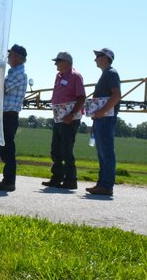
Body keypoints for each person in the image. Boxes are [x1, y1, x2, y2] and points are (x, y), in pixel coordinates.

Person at [43, 51, 85, 190]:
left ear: (67, 62)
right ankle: (57, 178)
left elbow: (81, 97)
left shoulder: (76, 76)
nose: (56, 64)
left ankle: (71, 180)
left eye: (58, 61)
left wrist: (72, 115)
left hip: (70, 119)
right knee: (55, 149)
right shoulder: (58, 76)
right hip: (59, 118)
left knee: (66, 150)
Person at [0, 44, 27, 192]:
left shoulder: (18, 73)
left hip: (9, 114)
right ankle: (7, 180)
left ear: (18, 57)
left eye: (10, 54)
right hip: (5, 114)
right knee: (3, 147)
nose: (8, 57)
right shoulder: (13, 72)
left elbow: (2, 88)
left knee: (7, 148)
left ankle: (9, 181)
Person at [86, 48, 121, 197]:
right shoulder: (106, 74)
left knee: (106, 152)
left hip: (106, 119)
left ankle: (106, 186)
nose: (95, 59)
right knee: (102, 153)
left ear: (106, 58)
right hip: (101, 119)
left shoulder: (111, 73)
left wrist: (102, 111)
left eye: (98, 56)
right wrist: (95, 121)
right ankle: (102, 184)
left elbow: (117, 95)